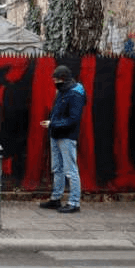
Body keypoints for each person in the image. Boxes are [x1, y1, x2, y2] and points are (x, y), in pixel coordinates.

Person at [39, 64, 86, 214]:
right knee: (57, 168)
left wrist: (53, 124)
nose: (55, 83)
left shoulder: (74, 94)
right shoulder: (63, 91)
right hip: (56, 134)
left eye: (57, 80)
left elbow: (73, 119)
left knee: (70, 170)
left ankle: (74, 202)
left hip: (67, 136)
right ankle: (56, 198)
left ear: (64, 79)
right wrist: (53, 125)